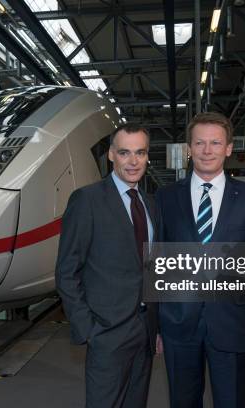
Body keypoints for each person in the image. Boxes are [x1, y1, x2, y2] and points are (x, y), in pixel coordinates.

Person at [156, 112, 245, 408]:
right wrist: (155, 326)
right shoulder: (166, 197)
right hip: (178, 324)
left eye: (215, 143)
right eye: (200, 143)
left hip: (234, 323)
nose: (207, 150)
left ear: (229, 148)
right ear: (189, 148)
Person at [55, 124, 159, 408]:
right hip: (106, 333)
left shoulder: (150, 204)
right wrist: (89, 328)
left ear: (148, 156)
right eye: (125, 152)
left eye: (140, 152)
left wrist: (157, 326)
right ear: (111, 155)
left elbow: (152, 268)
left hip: (145, 331)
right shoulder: (87, 199)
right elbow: (67, 271)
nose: (133, 161)